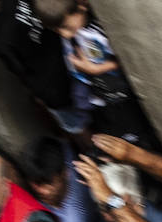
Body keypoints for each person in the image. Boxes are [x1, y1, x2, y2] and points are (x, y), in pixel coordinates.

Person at [35, 0, 153, 144]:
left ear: (82, 6)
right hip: (96, 95)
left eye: (66, 27)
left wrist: (95, 69)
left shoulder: (99, 31)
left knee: (135, 134)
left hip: (117, 95)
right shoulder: (75, 28)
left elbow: (125, 60)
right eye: (57, 30)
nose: (65, 35)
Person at [23, 136, 100, 222]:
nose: (41, 190)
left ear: (65, 173)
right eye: (36, 182)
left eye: (48, 183)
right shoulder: (62, 150)